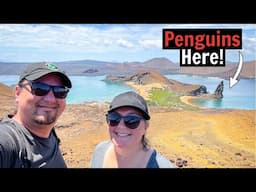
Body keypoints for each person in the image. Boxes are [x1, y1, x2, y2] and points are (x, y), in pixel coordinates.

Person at [0, 62, 72, 168]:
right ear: (18, 92)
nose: (50, 99)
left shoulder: (50, 134)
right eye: (39, 88)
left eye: (60, 91)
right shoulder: (7, 142)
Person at [90, 91, 175, 168]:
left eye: (132, 120)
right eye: (114, 118)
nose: (121, 126)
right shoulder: (99, 151)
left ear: (145, 127)